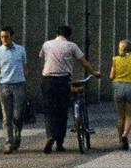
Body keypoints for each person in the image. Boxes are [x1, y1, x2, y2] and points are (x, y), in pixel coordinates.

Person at [40, 25, 97, 153]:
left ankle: (50, 136)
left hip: (48, 80)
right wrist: (94, 72)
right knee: (62, 111)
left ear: (56, 33)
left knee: (49, 111)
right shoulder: (72, 46)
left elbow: (43, 61)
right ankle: (59, 142)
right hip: (63, 80)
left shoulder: (46, 44)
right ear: (69, 35)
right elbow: (83, 62)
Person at [0, 27, 28, 154]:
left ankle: (17, 134)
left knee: (18, 115)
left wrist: (27, 81)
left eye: (6, 36)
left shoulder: (20, 50)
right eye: (2, 37)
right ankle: (8, 142)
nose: (4, 39)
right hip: (3, 85)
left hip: (19, 84)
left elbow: (26, 67)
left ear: (11, 36)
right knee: (6, 116)